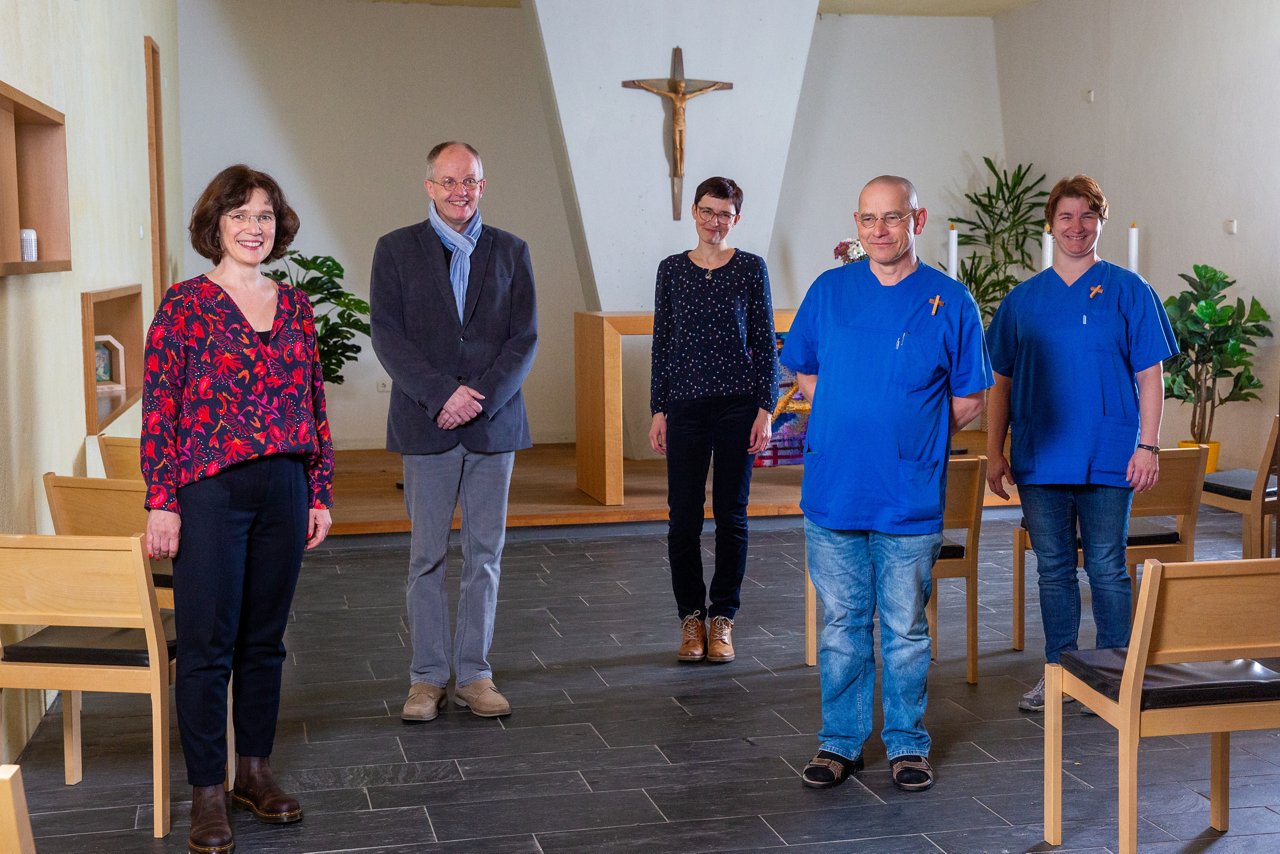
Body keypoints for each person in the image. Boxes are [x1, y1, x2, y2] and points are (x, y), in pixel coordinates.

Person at [142, 164, 334, 854]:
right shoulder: (185, 304)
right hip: (210, 490)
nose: (253, 228)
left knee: (264, 641)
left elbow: (313, 402)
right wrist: (161, 501)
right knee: (204, 647)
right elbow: (159, 409)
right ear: (214, 226)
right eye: (239, 216)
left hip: (284, 485)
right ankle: (206, 793)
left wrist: (321, 490)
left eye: (263, 216)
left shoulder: (296, 306)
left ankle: (253, 772)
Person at [780, 176, 991, 793]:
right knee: (842, 624)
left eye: (892, 218)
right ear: (856, 223)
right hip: (835, 488)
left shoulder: (950, 301)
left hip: (908, 492)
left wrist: (911, 432)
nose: (878, 231)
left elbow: (971, 396)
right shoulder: (830, 290)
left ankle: (906, 743)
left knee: (904, 628)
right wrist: (857, 413)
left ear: (917, 220)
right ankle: (840, 744)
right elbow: (806, 369)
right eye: (868, 220)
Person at [985, 175, 1176, 713]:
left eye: (1087, 216)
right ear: (1051, 224)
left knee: (1109, 566)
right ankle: (1061, 672)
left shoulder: (1129, 290)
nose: (1076, 227)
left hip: (1112, 453)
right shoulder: (1024, 301)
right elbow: (998, 381)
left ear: (1101, 222)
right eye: (1066, 217)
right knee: (1053, 568)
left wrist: (1150, 445)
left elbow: (1150, 376)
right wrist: (995, 452)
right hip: (1041, 456)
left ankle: (1116, 675)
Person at [371, 141, 537, 724]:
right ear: (429, 187)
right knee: (427, 558)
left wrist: (477, 399)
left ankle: (474, 674)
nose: (459, 191)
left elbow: (525, 340)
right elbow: (387, 336)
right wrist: (443, 395)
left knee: (485, 556)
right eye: (448, 181)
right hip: (428, 423)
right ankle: (426, 679)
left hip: (493, 426)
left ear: (482, 186)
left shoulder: (512, 252)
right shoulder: (394, 251)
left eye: (469, 181)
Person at [648, 176, 778, 664]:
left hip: (737, 406)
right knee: (682, 517)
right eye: (707, 211)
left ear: (736, 219)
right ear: (693, 212)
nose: (714, 222)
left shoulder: (750, 268)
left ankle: (722, 618)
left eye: (724, 214)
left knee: (731, 515)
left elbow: (765, 342)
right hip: (683, 406)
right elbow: (663, 343)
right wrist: (657, 408)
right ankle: (690, 618)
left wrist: (766, 409)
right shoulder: (671, 271)